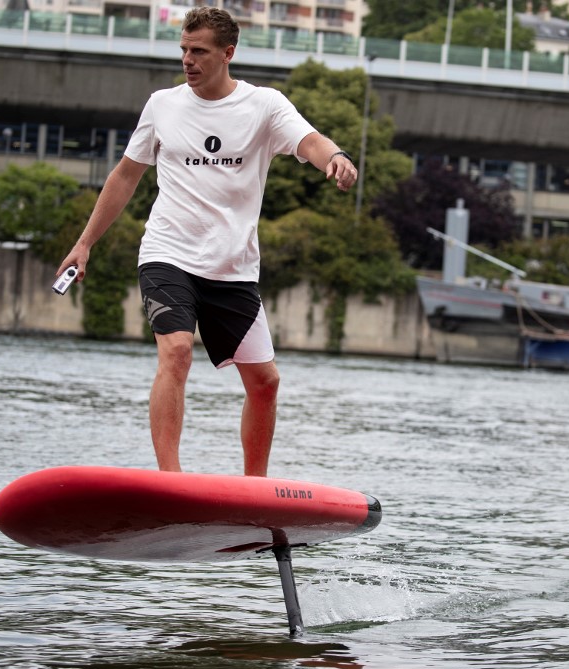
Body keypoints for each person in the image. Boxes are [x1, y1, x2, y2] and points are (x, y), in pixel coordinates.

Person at [56, 7, 358, 476]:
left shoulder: (265, 106)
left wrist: (334, 156)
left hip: (232, 268)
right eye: (183, 50)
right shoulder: (163, 105)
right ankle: (170, 480)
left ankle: (255, 489)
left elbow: (310, 140)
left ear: (227, 53)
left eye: (199, 51)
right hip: (167, 253)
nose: (188, 60)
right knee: (176, 352)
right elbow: (125, 175)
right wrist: (85, 242)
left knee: (265, 383)